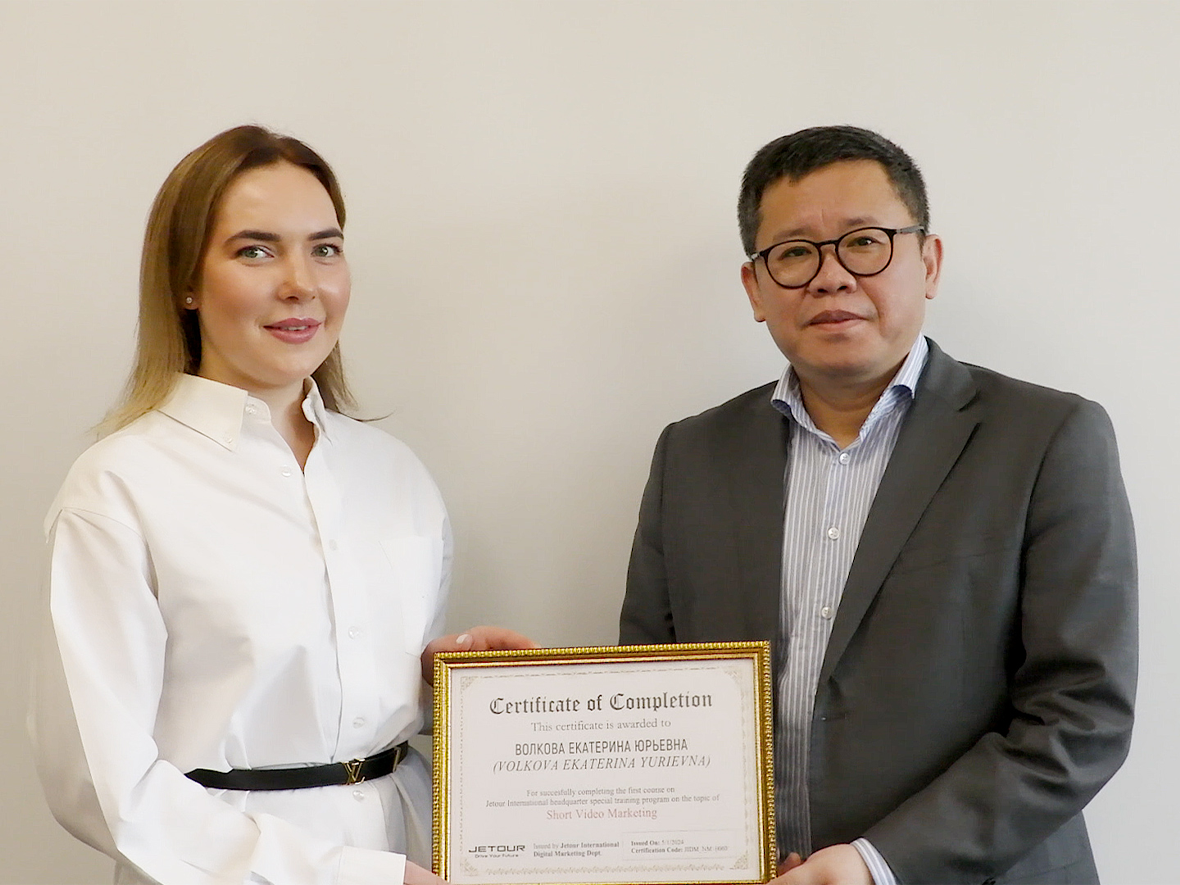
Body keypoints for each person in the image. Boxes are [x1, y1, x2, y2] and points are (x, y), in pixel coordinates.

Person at [619, 125, 1136, 885]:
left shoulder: (1049, 437)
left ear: (928, 262)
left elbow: (1081, 714)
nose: (831, 278)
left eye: (865, 242)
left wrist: (875, 864)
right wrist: (546, 697)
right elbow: (654, 697)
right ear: (755, 288)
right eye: (795, 253)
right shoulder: (690, 455)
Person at [30, 125, 532, 885]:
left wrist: (443, 687)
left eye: (324, 248)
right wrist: (352, 876)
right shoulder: (118, 487)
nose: (302, 283)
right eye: (256, 251)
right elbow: (101, 785)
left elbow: (339, 704)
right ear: (185, 282)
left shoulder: (395, 475)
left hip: (416, 857)